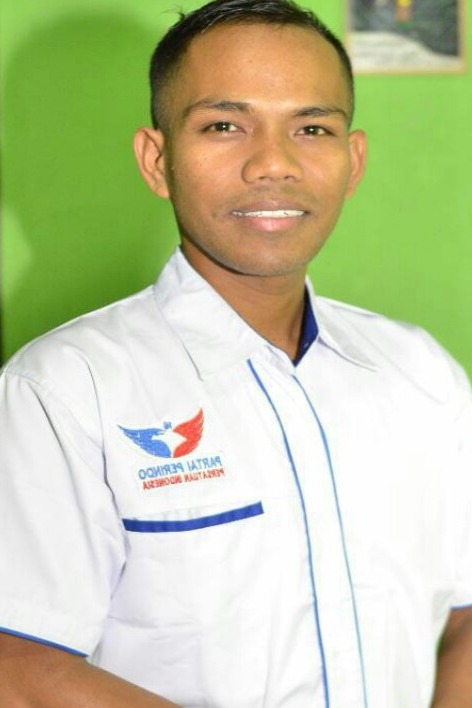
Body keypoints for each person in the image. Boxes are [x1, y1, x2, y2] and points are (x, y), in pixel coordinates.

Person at [0, 0, 471, 706]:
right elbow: (19, 663)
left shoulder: (421, 373)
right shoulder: (65, 389)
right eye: (224, 125)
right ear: (157, 160)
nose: (273, 163)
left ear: (353, 161)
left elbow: (465, 614)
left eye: (312, 128)